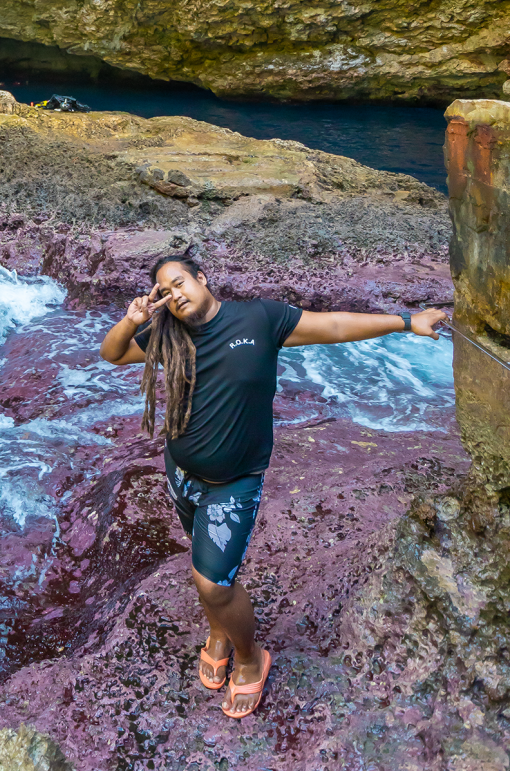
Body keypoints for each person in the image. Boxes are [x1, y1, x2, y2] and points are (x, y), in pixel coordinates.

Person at [99, 255, 446, 720]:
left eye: (180, 282)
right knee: (210, 568)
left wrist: (407, 321)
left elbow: (335, 325)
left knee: (212, 582)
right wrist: (132, 319)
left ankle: (248, 657)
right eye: (166, 291)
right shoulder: (168, 336)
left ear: (202, 279)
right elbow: (113, 353)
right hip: (181, 473)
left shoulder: (259, 319)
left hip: (233, 484)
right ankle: (219, 630)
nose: (176, 294)